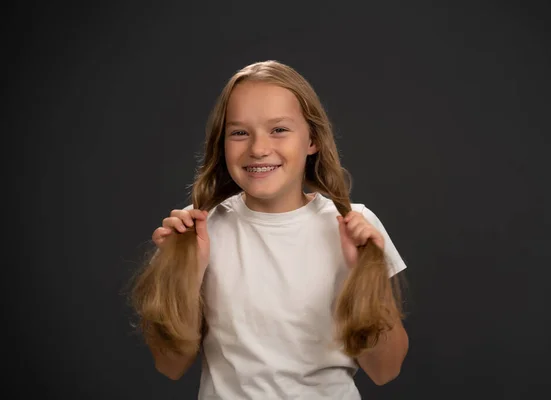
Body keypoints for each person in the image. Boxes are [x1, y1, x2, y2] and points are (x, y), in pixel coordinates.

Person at [131, 60, 409, 399]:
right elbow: (170, 364)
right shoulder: (199, 229)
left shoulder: (355, 225)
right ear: (222, 144)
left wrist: (368, 277)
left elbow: (385, 370)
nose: (258, 148)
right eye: (239, 132)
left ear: (312, 140)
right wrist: (182, 273)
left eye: (279, 129)